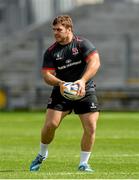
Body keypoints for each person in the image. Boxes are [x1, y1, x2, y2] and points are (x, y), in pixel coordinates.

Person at [30, 15, 100, 172]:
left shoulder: (82, 44)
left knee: (90, 127)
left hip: (85, 89)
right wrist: (60, 83)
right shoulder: (51, 52)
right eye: (54, 29)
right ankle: (42, 154)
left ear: (69, 29)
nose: (55, 32)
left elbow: (95, 62)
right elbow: (47, 76)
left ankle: (83, 163)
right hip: (61, 91)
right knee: (50, 125)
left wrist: (82, 81)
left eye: (59, 29)